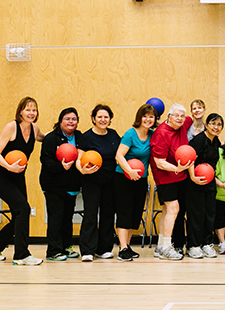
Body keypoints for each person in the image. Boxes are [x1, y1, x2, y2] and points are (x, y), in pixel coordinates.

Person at [0, 96, 45, 266]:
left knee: (20, 214)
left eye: (34, 110)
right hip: (2, 176)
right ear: (20, 112)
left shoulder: (34, 129)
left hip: (18, 177)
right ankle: (21, 255)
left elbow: (44, 138)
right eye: (28, 109)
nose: (31, 113)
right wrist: (9, 166)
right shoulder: (11, 127)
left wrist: (63, 136)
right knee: (23, 209)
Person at [76, 104, 121, 262]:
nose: (103, 120)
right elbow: (78, 157)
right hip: (91, 181)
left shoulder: (114, 135)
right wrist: (82, 170)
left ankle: (104, 249)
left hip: (110, 181)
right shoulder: (86, 137)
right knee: (90, 214)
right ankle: (87, 250)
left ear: (110, 119)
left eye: (106, 117)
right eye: (99, 117)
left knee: (108, 215)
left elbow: (121, 155)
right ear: (93, 119)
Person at [149, 103, 194, 260]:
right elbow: (159, 162)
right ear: (168, 117)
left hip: (180, 177)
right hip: (165, 177)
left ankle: (160, 246)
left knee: (167, 211)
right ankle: (167, 247)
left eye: (182, 116)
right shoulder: (161, 134)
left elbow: (192, 117)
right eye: (176, 116)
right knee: (173, 208)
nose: (180, 118)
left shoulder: (183, 123)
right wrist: (177, 169)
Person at [113, 103, 157, 261]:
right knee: (124, 213)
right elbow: (119, 156)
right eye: (145, 116)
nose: (147, 119)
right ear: (139, 117)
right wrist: (129, 171)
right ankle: (122, 247)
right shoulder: (130, 134)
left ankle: (127, 246)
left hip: (140, 179)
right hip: (124, 178)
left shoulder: (152, 135)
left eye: (151, 116)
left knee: (134, 214)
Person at [39, 107, 82, 261]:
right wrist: (60, 166)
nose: (71, 122)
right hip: (53, 186)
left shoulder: (79, 137)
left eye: (74, 119)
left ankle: (66, 246)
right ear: (60, 121)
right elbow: (45, 160)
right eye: (67, 119)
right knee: (56, 217)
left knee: (67, 218)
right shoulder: (51, 138)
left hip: (72, 186)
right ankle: (53, 251)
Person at [185, 113, 224, 259]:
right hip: (195, 183)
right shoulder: (199, 140)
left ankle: (206, 244)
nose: (216, 127)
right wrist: (193, 177)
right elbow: (190, 158)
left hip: (209, 184)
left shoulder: (216, 141)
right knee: (197, 214)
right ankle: (193, 245)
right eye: (213, 123)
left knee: (210, 214)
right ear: (206, 124)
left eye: (219, 125)